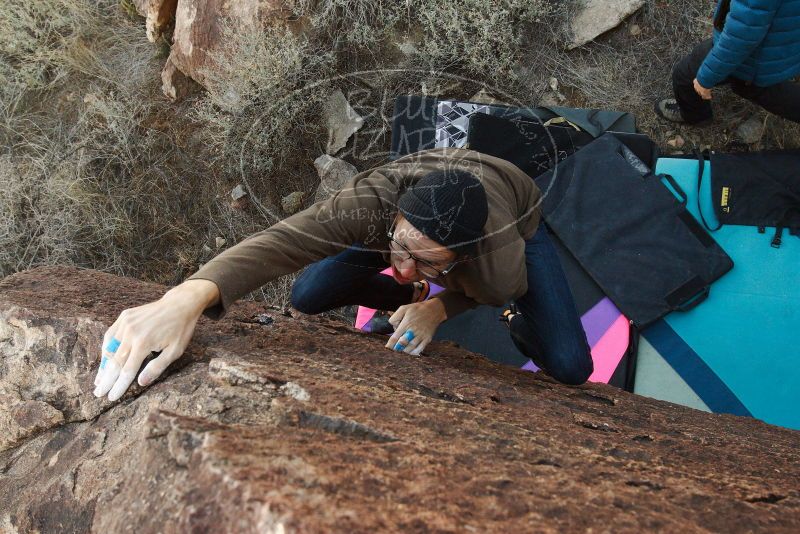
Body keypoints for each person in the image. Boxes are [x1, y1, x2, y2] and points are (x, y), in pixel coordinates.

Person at [92, 148, 593, 402]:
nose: (400, 268)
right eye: (400, 249)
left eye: (429, 264)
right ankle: (419, 270)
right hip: (434, 192)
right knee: (309, 294)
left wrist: (439, 306)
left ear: (461, 257)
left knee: (571, 365)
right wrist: (186, 298)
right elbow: (284, 241)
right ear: (393, 216)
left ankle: (507, 317)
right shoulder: (371, 203)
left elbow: (490, 288)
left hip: (519, 207)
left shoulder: (498, 259)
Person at [655, 0, 800, 125]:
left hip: (755, 60)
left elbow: (741, 36)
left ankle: (696, 117)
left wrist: (706, 77)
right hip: (784, 41)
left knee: (684, 77)